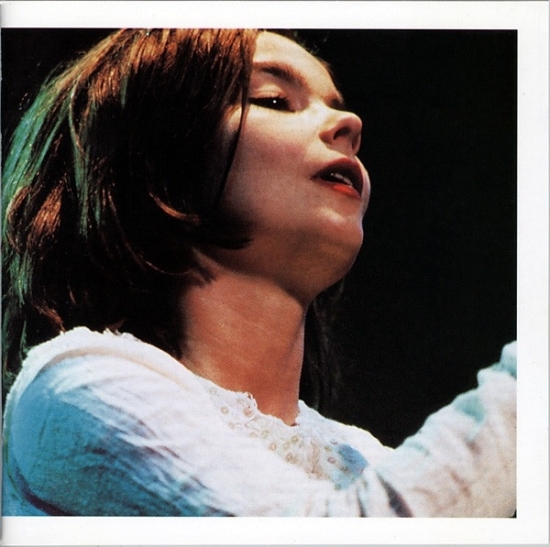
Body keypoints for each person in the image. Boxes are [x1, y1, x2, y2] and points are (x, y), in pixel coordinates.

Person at [2, 28, 516, 517]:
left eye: (335, 104)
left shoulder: (364, 457)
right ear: (154, 158)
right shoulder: (75, 387)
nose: (350, 123)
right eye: (274, 100)